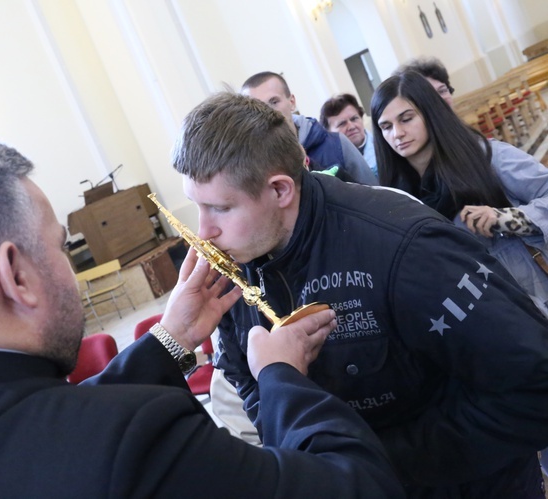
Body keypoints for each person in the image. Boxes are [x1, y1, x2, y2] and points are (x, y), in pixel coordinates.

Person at [0, 137, 404, 498]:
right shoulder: (135, 437)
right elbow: (360, 487)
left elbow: (23, 429)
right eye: (59, 247)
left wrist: (170, 341)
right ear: (16, 275)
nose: (69, 270)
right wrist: (283, 380)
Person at [173, 92, 548, 498]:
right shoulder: (236, 260)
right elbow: (244, 376)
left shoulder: (406, 248)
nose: (204, 231)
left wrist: (373, 462)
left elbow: (533, 385)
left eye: (220, 209)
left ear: (280, 190)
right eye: (197, 207)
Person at [371, 70, 548, 316]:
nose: (397, 133)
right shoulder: (396, 198)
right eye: (386, 126)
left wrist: (506, 218)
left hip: (531, 297)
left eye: (406, 119)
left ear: (430, 113)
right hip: (476, 317)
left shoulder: (487, 157)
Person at [241, 71, 378, 185]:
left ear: (292, 102)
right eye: (257, 107)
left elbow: (375, 196)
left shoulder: (337, 144)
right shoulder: (251, 164)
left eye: (274, 102)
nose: (267, 112)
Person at [320, 93, 377, 177]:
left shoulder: (386, 145)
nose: (351, 126)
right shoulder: (326, 167)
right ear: (329, 132)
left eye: (354, 119)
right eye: (342, 124)